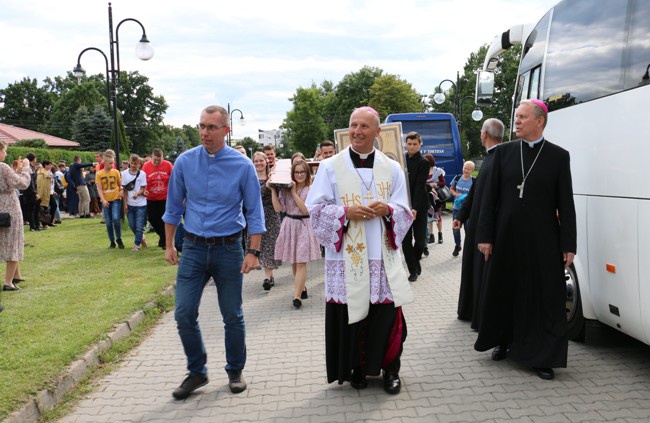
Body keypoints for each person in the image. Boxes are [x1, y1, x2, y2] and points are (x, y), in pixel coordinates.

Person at [306, 106, 414, 395]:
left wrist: (389, 208)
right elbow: (315, 210)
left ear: (377, 132)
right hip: (347, 257)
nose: (357, 131)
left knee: (388, 317)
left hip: (383, 255)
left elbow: (405, 210)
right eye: (353, 125)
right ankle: (356, 368)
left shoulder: (392, 168)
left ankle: (391, 370)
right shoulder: (330, 167)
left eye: (364, 126)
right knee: (352, 313)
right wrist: (345, 212)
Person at [163, 105, 265, 400]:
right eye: (202, 126)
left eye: (211, 127)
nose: (205, 132)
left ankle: (235, 369)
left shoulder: (242, 165)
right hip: (193, 248)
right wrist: (170, 245)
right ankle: (197, 371)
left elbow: (254, 213)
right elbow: (172, 209)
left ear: (226, 130)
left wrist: (253, 252)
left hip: (229, 249)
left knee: (232, 314)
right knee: (183, 313)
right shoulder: (184, 162)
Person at [475, 99, 577, 381]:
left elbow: (565, 204)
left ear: (539, 121)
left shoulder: (558, 156)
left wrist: (569, 244)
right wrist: (484, 236)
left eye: (522, 117)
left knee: (542, 295)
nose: (516, 122)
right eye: (516, 117)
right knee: (505, 288)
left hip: (542, 239)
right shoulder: (504, 153)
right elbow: (489, 200)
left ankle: (542, 355)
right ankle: (503, 341)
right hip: (505, 236)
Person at [453, 118, 504, 325]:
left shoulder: (494, 160)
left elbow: (484, 200)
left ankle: (474, 312)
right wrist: (460, 216)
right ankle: (469, 310)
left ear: (484, 135)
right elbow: (474, 194)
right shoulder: (494, 160)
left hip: (482, 229)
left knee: (477, 272)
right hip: (480, 225)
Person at [269, 159, 320, 308]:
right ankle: (301, 288)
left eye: (302, 172)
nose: (299, 175)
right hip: (289, 224)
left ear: (307, 173)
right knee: (294, 260)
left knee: (301, 262)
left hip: (304, 225)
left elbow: (306, 210)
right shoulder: (285, 189)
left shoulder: (311, 189)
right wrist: (273, 190)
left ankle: (296, 296)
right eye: (297, 172)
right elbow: (279, 209)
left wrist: (294, 193)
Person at [0, 142, 31, 297]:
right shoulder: (2, 166)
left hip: (1, 208)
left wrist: (16, 171)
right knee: (13, 243)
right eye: (5, 151)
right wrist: (25, 168)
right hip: (10, 208)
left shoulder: (5, 169)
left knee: (6, 241)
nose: (6, 154)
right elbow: (22, 184)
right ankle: (8, 282)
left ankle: (16, 276)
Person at [250, 151, 281, 291]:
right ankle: (269, 275)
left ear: (266, 162)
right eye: (256, 161)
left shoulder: (273, 178)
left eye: (261, 161)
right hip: (255, 216)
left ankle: (267, 277)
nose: (258, 163)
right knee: (260, 246)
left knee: (269, 246)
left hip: (271, 215)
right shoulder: (250, 178)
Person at [402, 132, 430, 282]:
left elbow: (420, 186)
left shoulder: (424, 162)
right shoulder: (401, 160)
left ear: (420, 144)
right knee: (405, 241)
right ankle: (413, 270)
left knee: (419, 240)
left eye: (415, 144)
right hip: (403, 206)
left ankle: (416, 260)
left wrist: (415, 208)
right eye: (409, 144)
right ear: (405, 144)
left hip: (419, 206)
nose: (411, 146)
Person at [142, 148, 173, 249]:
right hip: (151, 198)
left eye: (159, 160)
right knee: (152, 219)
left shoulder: (168, 165)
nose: (156, 162)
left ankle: (164, 242)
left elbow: (174, 178)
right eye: (155, 160)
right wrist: (144, 190)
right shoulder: (146, 167)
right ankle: (163, 237)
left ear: (162, 158)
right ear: (151, 157)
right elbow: (142, 181)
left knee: (163, 220)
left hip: (165, 197)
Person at [96, 152, 124, 249]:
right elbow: (99, 188)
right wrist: (102, 199)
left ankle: (119, 238)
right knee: (108, 222)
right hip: (106, 200)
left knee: (116, 219)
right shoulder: (99, 174)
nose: (112, 165)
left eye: (113, 163)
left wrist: (121, 190)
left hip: (116, 198)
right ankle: (112, 241)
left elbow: (120, 184)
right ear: (105, 163)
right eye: (110, 163)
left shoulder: (116, 172)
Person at [122, 154, 148, 252]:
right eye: (132, 163)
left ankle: (136, 245)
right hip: (130, 203)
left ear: (139, 164)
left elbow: (143, 188)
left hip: (141, 204)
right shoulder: (124, 174)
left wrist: (138, 194)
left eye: (135, 163)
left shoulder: (142, 174)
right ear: (129, 162)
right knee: (132, 225)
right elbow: (124, 190)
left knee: (139, 224)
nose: (133, 165)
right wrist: (125, 204)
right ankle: (141, 237)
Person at [449, 161, 475, 257]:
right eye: (465, 168)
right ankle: (457, 245)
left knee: (468, 229)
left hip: (468, 210)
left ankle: (468, 248)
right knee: (455, 229)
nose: (466, 170)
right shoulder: (457, 178)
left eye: (468, 169)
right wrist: (455, 194)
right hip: (457, 208)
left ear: (472, 170)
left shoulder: (474, 181)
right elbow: (451, 188)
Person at [425, 154, 445, 245]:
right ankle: (431, 236)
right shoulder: (423, 170)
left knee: (438, 216)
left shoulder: (437, 170)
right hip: (427, 196)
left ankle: (440, 235)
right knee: (430, 215)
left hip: (437, 197)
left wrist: (434, 184)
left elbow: (443, 183)